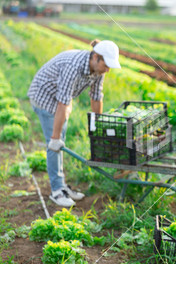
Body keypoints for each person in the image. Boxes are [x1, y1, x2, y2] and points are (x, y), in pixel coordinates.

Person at [27, 39, 121, 207]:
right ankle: (57, 191)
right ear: (96, 58)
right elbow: (62, 104)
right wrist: (55, 137)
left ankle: (61, 185)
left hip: (60, 98)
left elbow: (96, 96)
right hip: (44, 96)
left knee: (59, 140)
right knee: (54, 143)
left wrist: (97, 125)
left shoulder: (98, 70)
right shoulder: (73, 66)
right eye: (106, 65)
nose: (107, 70)